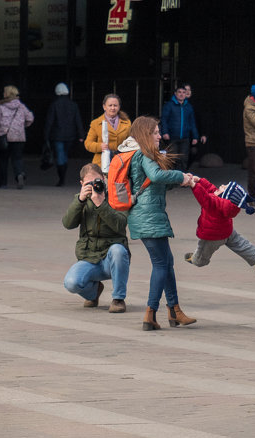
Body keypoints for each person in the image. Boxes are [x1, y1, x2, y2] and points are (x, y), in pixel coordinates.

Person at [119, 116, 196, 331]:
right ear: (145, 134)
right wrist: (180, 175)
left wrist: (181, 181)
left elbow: (153, 183)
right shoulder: (144, 154)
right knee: (162, 264)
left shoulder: (137, 154)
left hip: (146, 214)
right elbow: (156, 175)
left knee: (167, 262)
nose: (159, 135)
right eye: (155, 132)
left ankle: (174, 311)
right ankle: (150, 313)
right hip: (149, 215)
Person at [62, 163, 130, 313]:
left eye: (97, 182)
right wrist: (80, 200)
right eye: (89, 183)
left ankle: (118, 299)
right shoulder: (81, 200)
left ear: (104, 179)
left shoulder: (117, 196)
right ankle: (94, 292)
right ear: (81, 184)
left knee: (119, 251)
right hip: (89, 257)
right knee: (71, 283)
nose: (94, 186)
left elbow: (120, 225)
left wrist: (101, 204)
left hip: (111, 258)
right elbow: (67, 224)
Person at [184, 178, 255, 273]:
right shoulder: (224, 203)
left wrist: (194, 185)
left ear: (224, 196)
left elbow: (204, 197)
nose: (221, 185)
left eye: (224, 187)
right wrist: (199, 180)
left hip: (212, 236)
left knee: (202, 253)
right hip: (227, 231)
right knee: (241, 244)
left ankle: (196, 259)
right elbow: (211, 189)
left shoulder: (214, 202)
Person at [44, 82, 85, 187]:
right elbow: (78, 120)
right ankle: (63, 175)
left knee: (60, 155)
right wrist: (81, 135)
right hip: (70, 135)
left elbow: (50, 121)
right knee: (64, 155)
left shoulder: (54, 104)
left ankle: (61, 178)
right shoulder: (73, 105)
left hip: (57, 135)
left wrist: (46, 135)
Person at [0, 85, 34, 189]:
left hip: (4, 136)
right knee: (17, 158)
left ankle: (3, 183)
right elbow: (30, 118)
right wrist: (22, 126)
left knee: (3, 160)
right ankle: (19, 174)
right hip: (19, 136)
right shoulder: (21, 106)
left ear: (7, 94)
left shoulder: (0, 107)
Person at [160, 83, 205, 170]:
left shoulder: (189, 107)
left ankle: (182, 180)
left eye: (184, 92)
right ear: (175, 93)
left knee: (184, 159)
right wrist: (165, 132)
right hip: (172, 137)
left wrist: (195, 137)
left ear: (186, 94)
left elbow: (192, 123)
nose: (181, 94)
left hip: (185, 138)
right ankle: (172, 180)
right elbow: (164, 120)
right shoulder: (169, 105)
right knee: (173, 159)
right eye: (179, 92)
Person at [84, 94, 131, 170]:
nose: (113, 108)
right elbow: (88, 144)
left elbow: (131, 142)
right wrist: (99, 146)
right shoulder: (95, 123)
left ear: (119, 107)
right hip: (101, 164)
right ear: (104, 107)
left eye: (115, 105)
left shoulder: (127, 122)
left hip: (121, 164)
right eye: (110, 105)